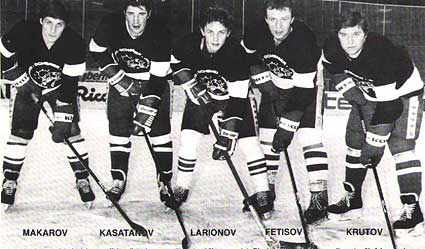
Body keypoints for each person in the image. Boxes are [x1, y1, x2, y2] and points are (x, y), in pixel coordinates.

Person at [323, 10, 424, 236]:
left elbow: (390, 108)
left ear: (365, 35)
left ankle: (413, 211)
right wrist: (349, 89)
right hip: (371, 92)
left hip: (405, 96)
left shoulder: (382, 53)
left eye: (356, 35)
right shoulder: (332, 45)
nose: (349, 41)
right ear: (337, 35)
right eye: (344, 34)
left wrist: (375, 144)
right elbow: (331, 66)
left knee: (401, 147)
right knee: (355, 139)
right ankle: (353, 199)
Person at [171, 7, 273, 219]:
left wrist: (227, 135)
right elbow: (174, 61)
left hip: (233, 100)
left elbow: (237, 100)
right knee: (188, 139)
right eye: (210, 31)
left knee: (249, 145)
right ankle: (181, 188)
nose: (215, 38)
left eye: (221, 32)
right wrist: (189, 83)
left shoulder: (237, 54)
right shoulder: (189, 44)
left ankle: (263, 192)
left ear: (228, 33)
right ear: (202, 31)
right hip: (200, 98)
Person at [0, 0, 95, 210]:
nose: (53, 30)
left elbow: (70, 84)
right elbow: (2, 54)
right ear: (41, 21)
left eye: (59, 24)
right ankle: (10, 180)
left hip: (59, 88)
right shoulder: (23, 31)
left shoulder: (75, 43)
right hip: (27, 83)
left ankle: (82, 178)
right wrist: (15, 76)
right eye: (49, 23)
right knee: (20, 132)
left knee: (71, 130)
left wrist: (62, 113)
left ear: (65, 26)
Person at [241, 0, 329, 224]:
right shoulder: (256, 31)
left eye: (283, 19)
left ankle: (319, 198)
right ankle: (267, 190)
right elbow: (244, 56)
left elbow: (303, 91)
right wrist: (260, 76)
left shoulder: (304, 41)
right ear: (266, 19)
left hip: (307, 87)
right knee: (267, 138)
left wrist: (288, 126)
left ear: (292, 19)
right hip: (275, 86)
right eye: (272, 19)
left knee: (308, 138)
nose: (278, 26)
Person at [89, 0, 173, 207]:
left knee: (160, 133)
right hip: (121, 82)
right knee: (118, 131)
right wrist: (118, 77)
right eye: (131, 13)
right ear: (124, 13)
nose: (136, 20)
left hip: (154, 81)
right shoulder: (110, 24)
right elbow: (95, 49)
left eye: (141, 14)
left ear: (149, 14)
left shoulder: (160, 30)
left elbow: (160, 74)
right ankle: (118, 178)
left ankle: (165, 181)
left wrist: (147, 107)